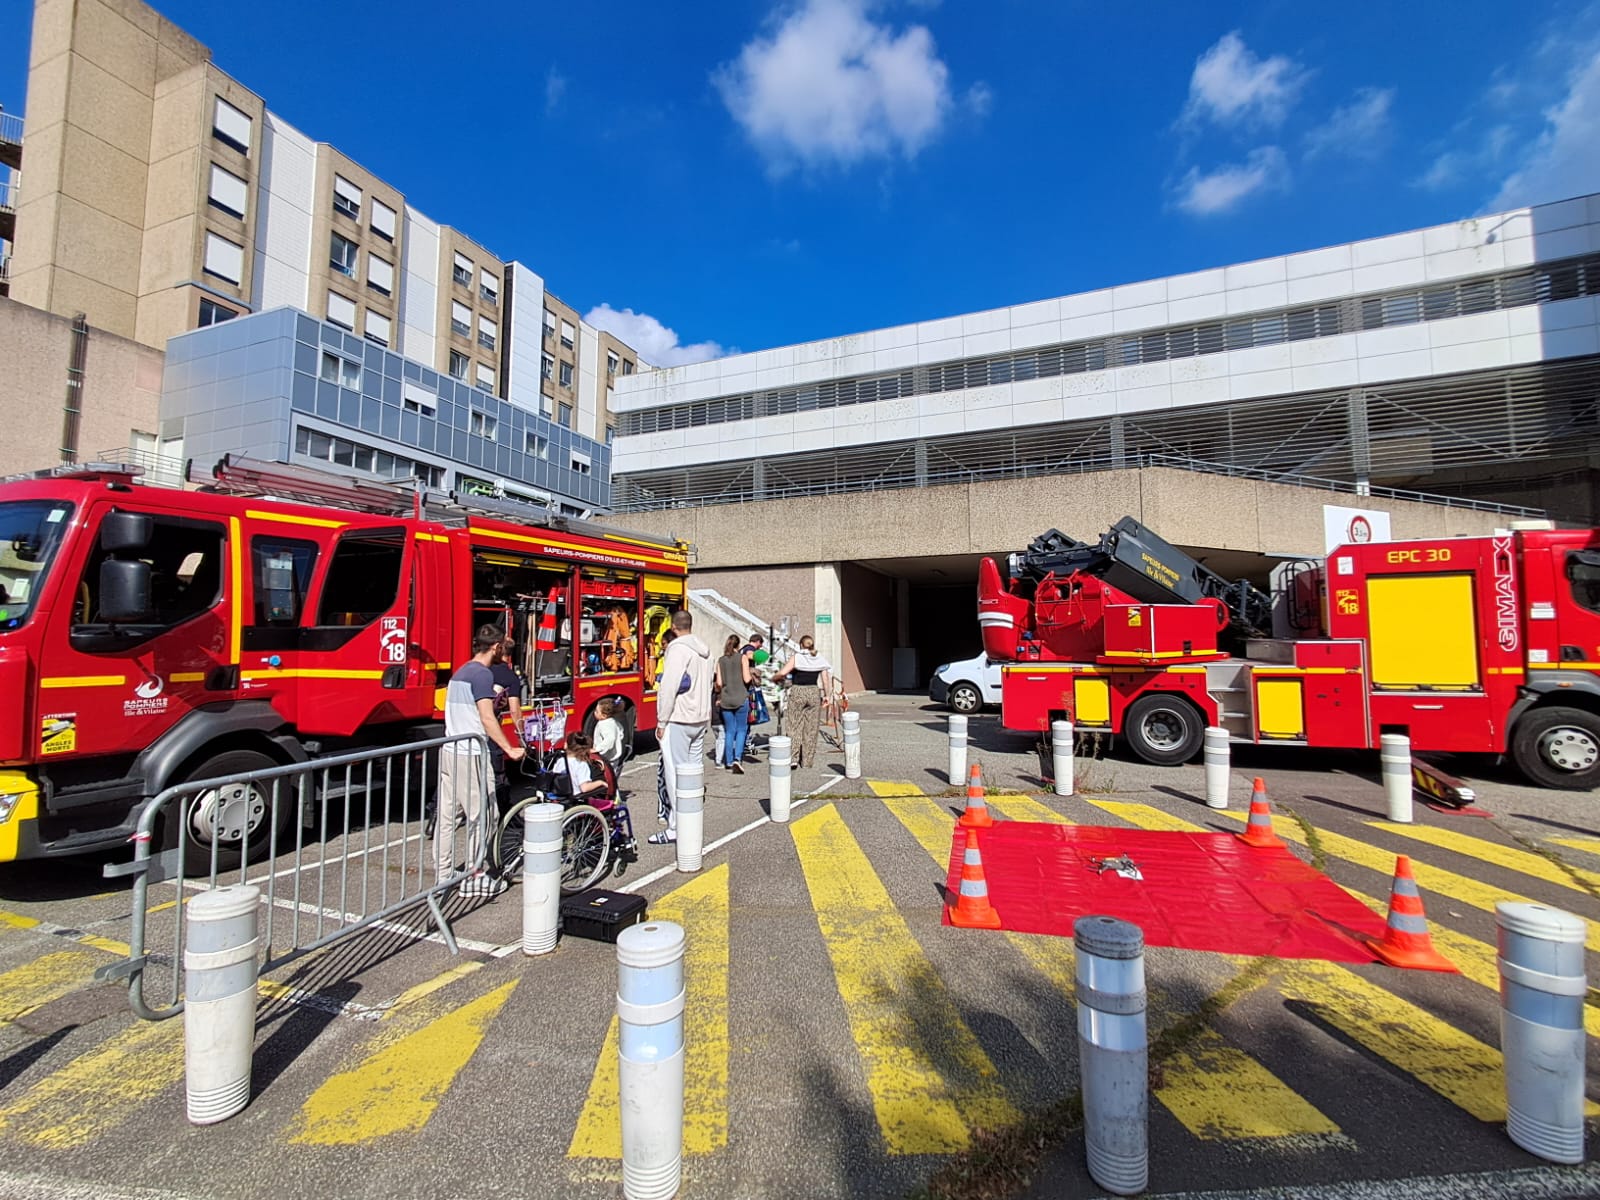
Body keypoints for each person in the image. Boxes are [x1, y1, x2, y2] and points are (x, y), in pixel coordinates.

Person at [437, 624, 525, 897]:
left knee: (449, 817)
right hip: (471, 753)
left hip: (450, 749)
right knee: (482, 816)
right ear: (497, 647)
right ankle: (474, 877)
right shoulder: (482, 675)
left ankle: (443, 876)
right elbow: (487, 718)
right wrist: (509, 748)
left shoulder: (461, 671)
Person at [650, 610, 711, 845]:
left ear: (674, 627)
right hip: (700, 717)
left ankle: (676, 826)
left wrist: (661, 721)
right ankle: (693, 818)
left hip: (679, 717)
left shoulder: (677, 649)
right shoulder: (704, 649)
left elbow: (669, 687)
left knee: (674, 773)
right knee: (694, 772)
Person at [774, 635, 833, 771]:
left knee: (794, 725)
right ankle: (807, 760)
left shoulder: (797, 657)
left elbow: (783, 672)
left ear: (801, 645)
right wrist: (827, 696)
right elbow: (825, 679)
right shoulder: (819, 658)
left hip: (798, 691)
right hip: (813, 691)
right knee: (811, 728)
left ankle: (793, 758)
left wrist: (774, 678)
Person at [488, 633, 525, 810]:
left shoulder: (482, 669)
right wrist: (521, 736)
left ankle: (435, 812)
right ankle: (504, 812)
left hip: (470, 727)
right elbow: (515, 710)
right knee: (497, 774)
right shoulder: (510, 677)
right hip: (491, 728)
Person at [713, 634, 753, 774]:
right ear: (738, 645)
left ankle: (728, 761)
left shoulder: (721, 660)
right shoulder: (742, 658)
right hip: (741, 697)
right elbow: (747, 679)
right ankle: (737, 758)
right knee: (741, 729)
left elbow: (718, 683)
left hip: (726, 699)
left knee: (729, 730)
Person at [551, 730, 612, 805]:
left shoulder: (560, 761)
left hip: (560, 796)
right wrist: (600, 782)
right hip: (575, 798)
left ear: (565, 745)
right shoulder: (581, 764)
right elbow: (584, 788)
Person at [592, 697, 627, 775]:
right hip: (613, 758)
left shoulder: (604, 725)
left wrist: (597, 749)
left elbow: (610, 739)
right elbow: (621, 732)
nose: (594, 712)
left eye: (597, 711)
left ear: (604, 715)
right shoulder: (613, 721)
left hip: (607, 759)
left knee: (606, 777)